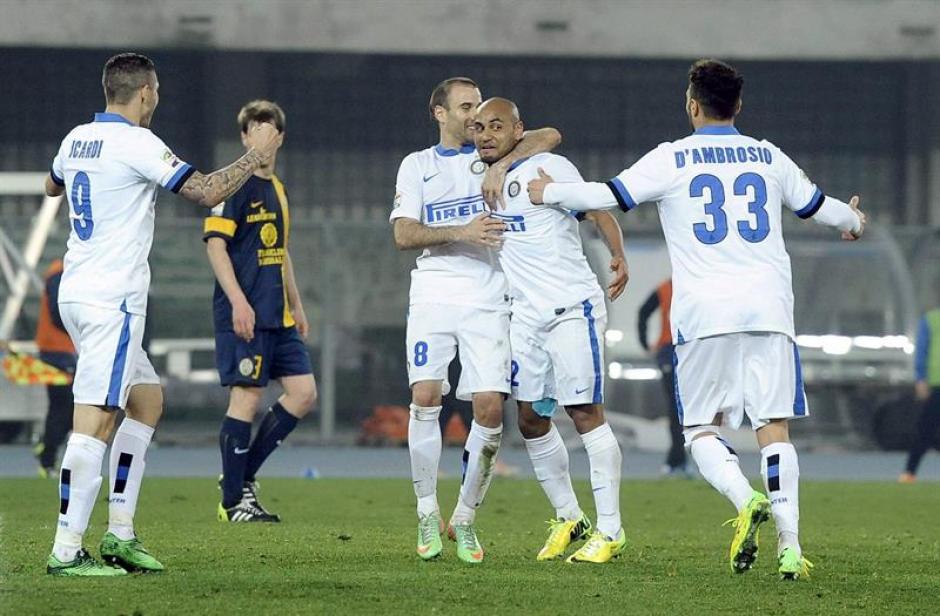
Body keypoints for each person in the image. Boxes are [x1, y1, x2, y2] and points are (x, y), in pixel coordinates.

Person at [528, 59, 866, 580]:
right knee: (774, 429)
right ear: (739, 105)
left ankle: (743, 498)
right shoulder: (766, 155)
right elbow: (822, 208)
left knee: (701, 431)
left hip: (705, 314)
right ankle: (791, 548)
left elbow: (605, 196)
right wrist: (854, 220)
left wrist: (547, 192)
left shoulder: (673, 158)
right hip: (770, 310)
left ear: (692, 104)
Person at [43, 52, 280, 576]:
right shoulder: (137, 142)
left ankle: (120, 535)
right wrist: (254, 154)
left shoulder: (75, 137)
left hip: (78, 290)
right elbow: (206, 191)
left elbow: (52, 185)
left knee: (146, 402)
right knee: (96, 419)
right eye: (157, 93)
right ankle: (65, 550)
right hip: (112, 298)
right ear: (146, 92)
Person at [391, 76, 561, 564]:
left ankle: (464, 518)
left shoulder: (492, 155)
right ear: (439, 113)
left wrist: (502, 163)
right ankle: (427, 510)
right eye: (465, 107)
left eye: (481, 109)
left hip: (490, 297)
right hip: (435, 292)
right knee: (426, 395)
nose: (475, 117)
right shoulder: (417, 166)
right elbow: (404, 234)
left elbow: (550, 135)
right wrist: (462, 231)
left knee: (488, 408)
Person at [473, 97, 628, 564]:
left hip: (570, 310)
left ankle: (611, 529)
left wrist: (618, 255)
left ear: (518, 129)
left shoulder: (549, 167)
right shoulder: (478, 173)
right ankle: (568, 516)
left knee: (583, 412)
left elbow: (598, 209)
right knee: (530, 419)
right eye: (479, 127)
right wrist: (497, 166)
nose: (485, 135)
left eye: (496, 126)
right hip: (526, 317)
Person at [204, 100, 317, 522]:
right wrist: (237, 301)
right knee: (246, 399)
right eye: (255, 132)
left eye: (270, 133)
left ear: (279, 139)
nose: (263, 140)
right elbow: (216, 247)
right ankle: (235, 502)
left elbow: (280, 250)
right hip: (246, 312)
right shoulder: (231, 186)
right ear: (245, 138)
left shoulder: (279, 189)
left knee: (304, 394)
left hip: (279, 315)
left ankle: (238, 478)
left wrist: (297, 303)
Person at [637, 278, 687, 476]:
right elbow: (643, 312)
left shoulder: (697, 284)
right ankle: (677, 458)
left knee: (684, 408)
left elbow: (643, 313)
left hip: (689, 349)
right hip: (670, 349)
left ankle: (677, 459)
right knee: (675, 408)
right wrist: (644, 343)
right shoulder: (666, 288)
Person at [33, 258, 78, 478]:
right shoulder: (60, 271)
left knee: (69, 406)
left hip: (64, 349)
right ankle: (47, 457)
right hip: (57, 349)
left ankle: (48, 447)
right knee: (64, 406)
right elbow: (57, 310)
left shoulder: (63, 270)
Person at [899, 307, 940, 483]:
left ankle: (909, 472)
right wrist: (921, 378)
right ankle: (910, 472)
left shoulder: (931, 319)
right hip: (936, 383)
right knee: (925, 430)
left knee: (925, 430)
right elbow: (922, 349)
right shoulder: (931, 319)